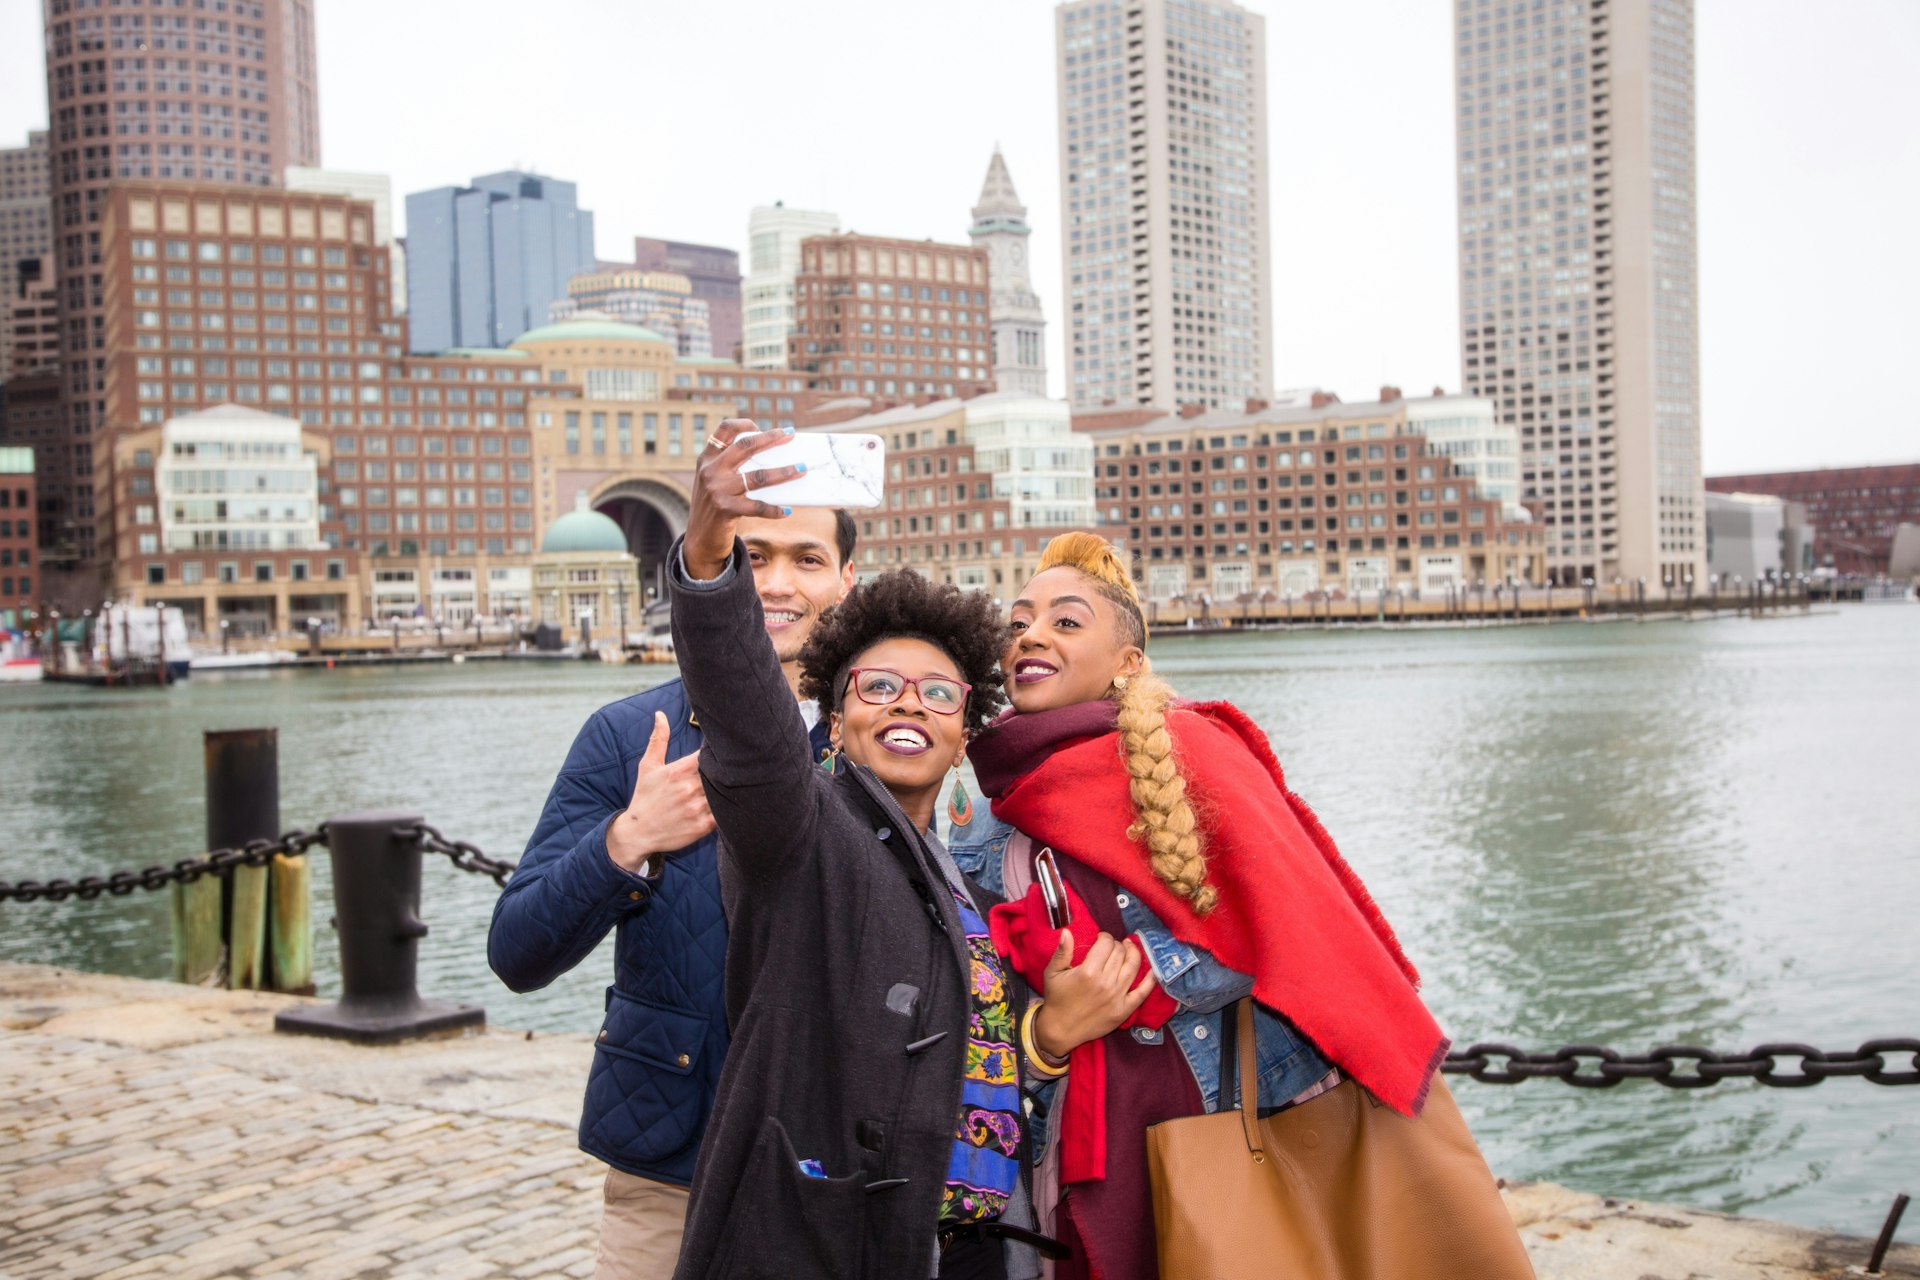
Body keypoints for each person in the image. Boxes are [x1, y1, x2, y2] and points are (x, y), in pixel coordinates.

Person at [952, 531, 1525, 1280]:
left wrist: (1137, 981)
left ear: (1127, 663)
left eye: (1065, 621)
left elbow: (1291, 925)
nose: (1030, 634)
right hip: (1076, 1139)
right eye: (1019, 621)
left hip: (1222, 1106)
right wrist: (1049, 1028)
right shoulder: (986, 808)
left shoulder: (1192, 748)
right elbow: (981, 992)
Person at [664, 419, 1060, 1280]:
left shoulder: (970, 877)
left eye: (937, 694)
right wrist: (706, 557)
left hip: (981, 1250)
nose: (907, 706)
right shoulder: (800, 830)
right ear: (835, 719)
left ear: (964, 733)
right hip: (836, 1241)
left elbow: (987, 1053)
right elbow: (746, 720)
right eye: (877, 687)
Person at [486, 489, 856, 1279]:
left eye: (806, 559)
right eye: (751, 559)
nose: (776, 584)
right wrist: (629, 839)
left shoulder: (893, 739)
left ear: (847, 579)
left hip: (844, 1166)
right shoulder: (626, 737)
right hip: (671, 1159)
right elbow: (518, 953)